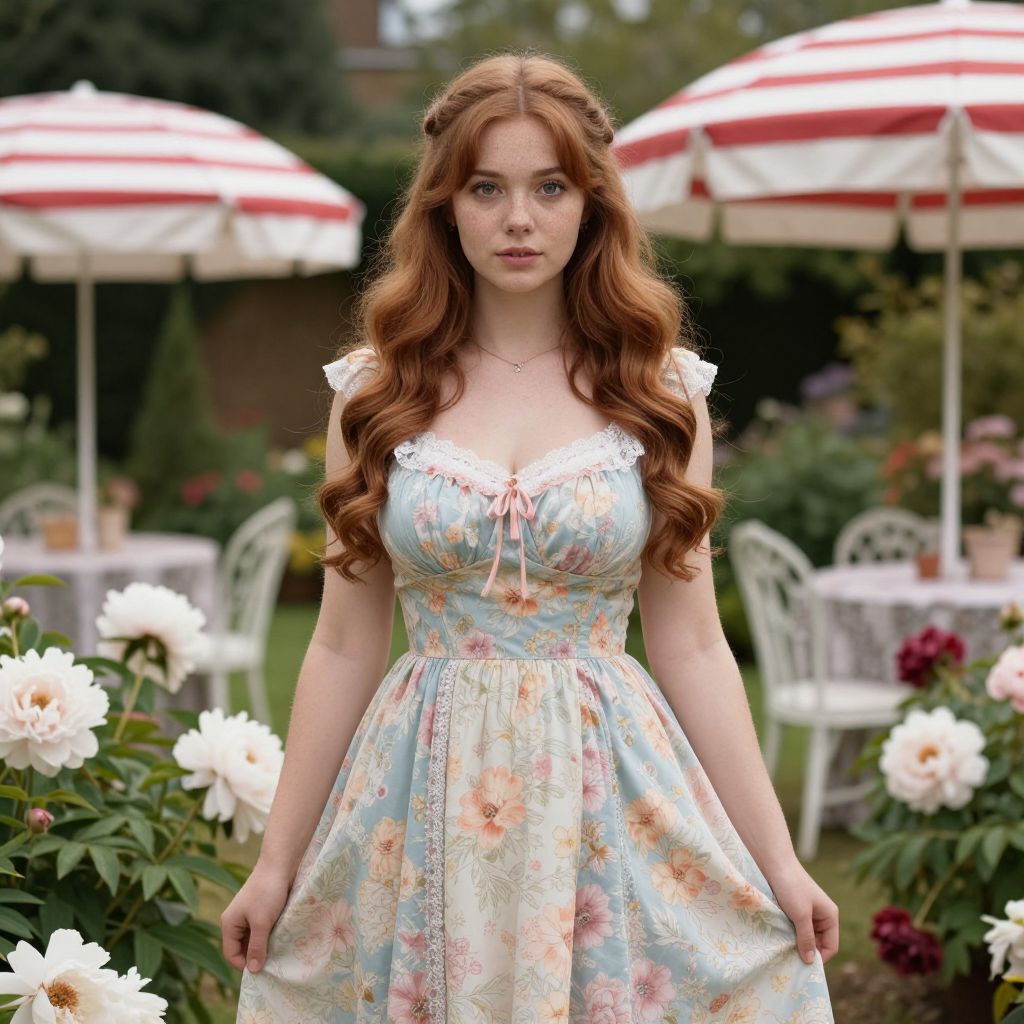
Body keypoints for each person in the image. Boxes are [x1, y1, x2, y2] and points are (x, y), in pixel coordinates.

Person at [225, 49, 838, 1024]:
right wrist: (274, 860)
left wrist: (778, 858)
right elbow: (343, 643)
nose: (518, 218)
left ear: (591, 202)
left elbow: (689, 639)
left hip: (605, 787)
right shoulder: (375, 393)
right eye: (487, 188)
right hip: (416, 787)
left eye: (549, 187)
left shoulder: (661, 392)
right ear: (444, 204)